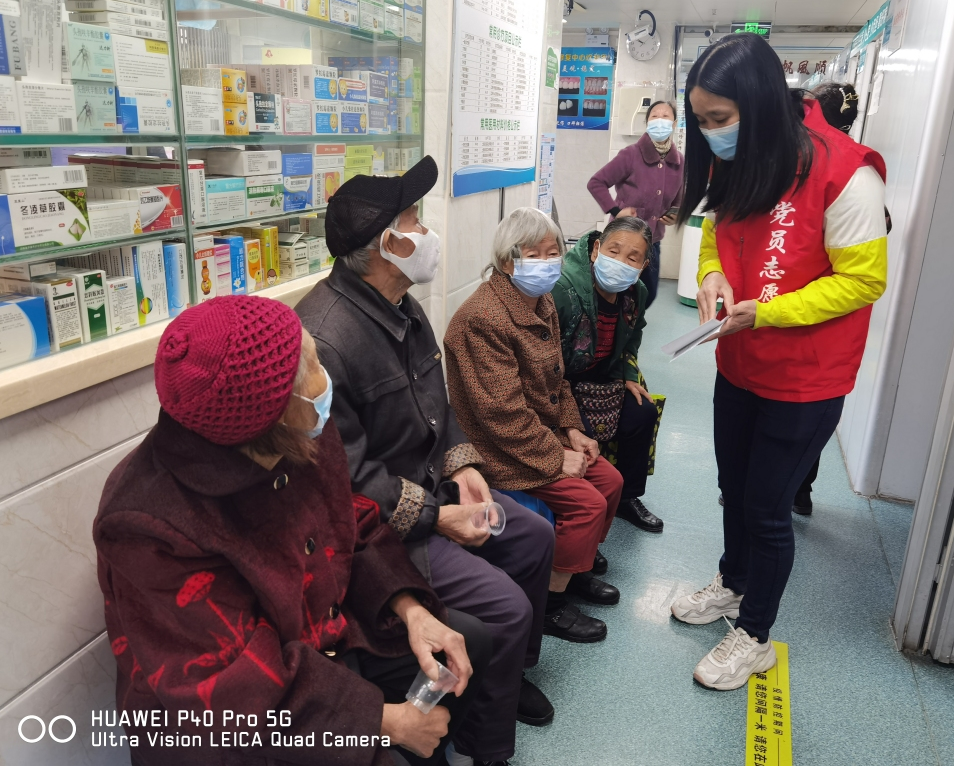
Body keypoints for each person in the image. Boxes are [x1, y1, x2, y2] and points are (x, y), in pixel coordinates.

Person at [93, 295, 490, 766]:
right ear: (275, 414)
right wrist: (387, 724)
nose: (326, 377)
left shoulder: (303, 432)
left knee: (466, 642)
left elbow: (349, 526)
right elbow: (232, 685)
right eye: (315, 364)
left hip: (322, 637)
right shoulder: (148, 524)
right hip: (232, 723)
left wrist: (410, 610)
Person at [295, 158, 556, 766]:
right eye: (415, 220)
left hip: (436, 488)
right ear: (389, 244)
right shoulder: (326, 338)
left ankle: (509, 674)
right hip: (389, 528)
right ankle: (487, 745)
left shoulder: (402, 304)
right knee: (506, 608)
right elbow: (350, 479)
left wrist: (464, 468)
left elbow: (439, 405)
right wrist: (442, 518)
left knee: (535, 538)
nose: (427, 231)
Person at [669, 33, 888, 690]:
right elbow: (716, 230)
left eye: (719, 119)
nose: (710, 134)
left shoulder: (847, 172)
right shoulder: (741, 158)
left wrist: (767, 312)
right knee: (733, 489)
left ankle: (756, 634)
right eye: (701, 121)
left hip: (806, 379)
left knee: (767, 508)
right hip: (739, 363)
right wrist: (711, 275)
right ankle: (733, 582)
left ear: (762, 104)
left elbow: (863, 281)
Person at [444, 207, 625, 646]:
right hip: (498, 447)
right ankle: (551, 605)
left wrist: (573, 431)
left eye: (553, 252)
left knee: (611, 482)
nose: (547, 262)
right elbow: (501, 415)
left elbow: (558, 380)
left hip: (539, 432)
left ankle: (573, 569)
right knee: (587, 504)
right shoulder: (482, 318)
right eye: (534, 254)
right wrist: (556, 456)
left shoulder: (540, 302)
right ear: (508, 261)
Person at [786, 83, 895, 517]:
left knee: (801, 414)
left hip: (809, 329)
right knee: (806, 426)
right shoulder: (813, 165)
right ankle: (799, 491)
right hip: (802, 341)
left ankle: (788, 491)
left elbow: (863, 279)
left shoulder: (845, 170)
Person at [552, 216, 664, 534]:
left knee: (642, 412)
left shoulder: (636, 293)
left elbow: (633, 336)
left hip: (603, 374)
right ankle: (583, 508)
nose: (620, 262)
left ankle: (627, 497)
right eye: (613, 251)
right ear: (596, 249)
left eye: (632, 258)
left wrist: (628, 372)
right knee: (583, 434)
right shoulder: (563, 289)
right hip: (562, 384)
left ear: (642, 266)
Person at [586, 100, 684, 308]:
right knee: (614, 291)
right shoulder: (630, 155)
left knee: (647, 294)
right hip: (623, 238)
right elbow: (596, 183)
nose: (660, 120)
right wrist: (615, 210)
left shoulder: (679, 162)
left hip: (652, 241)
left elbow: (678, 199)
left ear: (674, 123)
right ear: (647, 122)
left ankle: (629, 324)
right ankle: (611, 325)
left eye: (665, 116)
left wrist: (675, 214)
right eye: (654, 116)